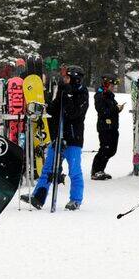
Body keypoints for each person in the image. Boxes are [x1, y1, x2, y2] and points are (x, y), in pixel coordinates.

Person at [25, 64, 88, 210]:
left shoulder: (82, 94)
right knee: (48, 168)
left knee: (74, 170)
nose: (64, 79)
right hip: (58, 136)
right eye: (64, 77)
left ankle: (76, 199)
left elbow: (74, 113)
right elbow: (53, 109)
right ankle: (38, 197)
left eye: (67, 77)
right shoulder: (64, 91)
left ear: (74, 79)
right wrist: (58, 93)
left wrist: (66, 93)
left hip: (73, 138)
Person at [91, 75, 123, 179]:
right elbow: (102, 111)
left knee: (112, 150)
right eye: (112, 85)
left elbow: (111, 109)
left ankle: (101, 169)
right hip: (105, 127)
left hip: (113, 126)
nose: (113, 88)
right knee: (105, 148)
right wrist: (115, 109)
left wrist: (118, 108)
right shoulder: (100, 95)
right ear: (107, 84)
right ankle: (96, 171)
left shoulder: (110, 95)